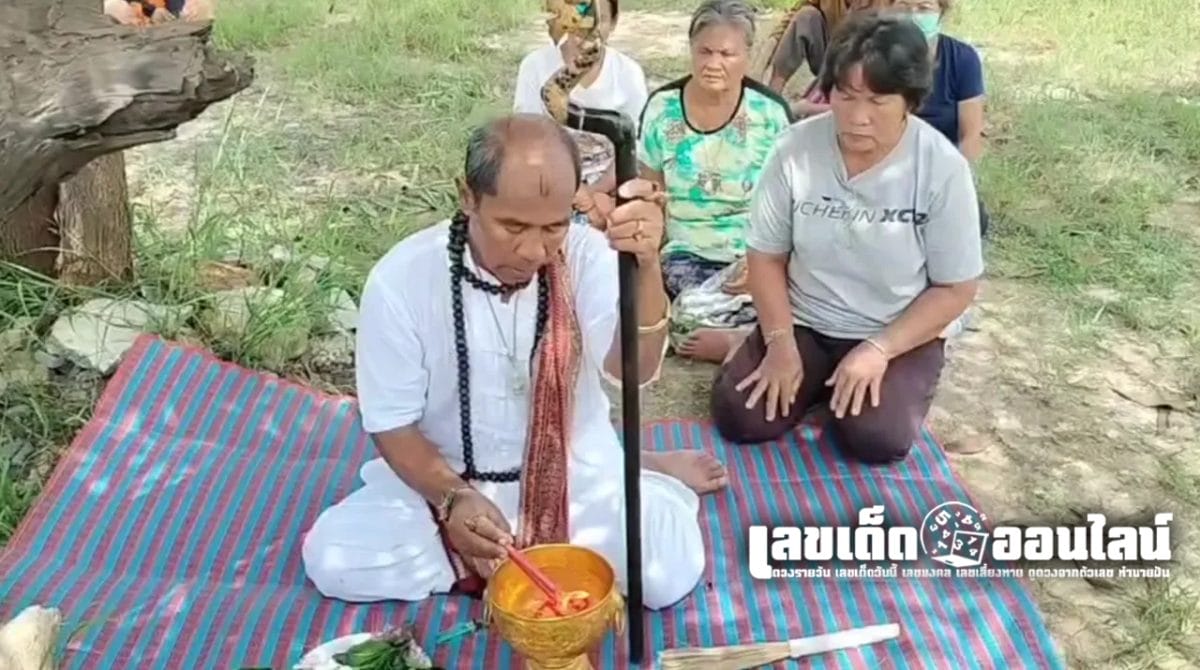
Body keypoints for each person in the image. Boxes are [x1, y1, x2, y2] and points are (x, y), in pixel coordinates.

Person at [302, 115, 723, 608]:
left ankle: (639, 475)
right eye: (512, 226)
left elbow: (634, 372)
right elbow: (391, 423)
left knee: (661, 575)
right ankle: (585, 508)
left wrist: (647, 266)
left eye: (554, 227)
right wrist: (452, 499)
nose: (533, 251)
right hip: (451, 484)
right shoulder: (402, 280)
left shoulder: (588, 256)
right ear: (467, 196)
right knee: (335, 560)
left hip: (575, 480)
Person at [709, 13, 982, 464]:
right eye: (845, 95)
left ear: (910, 102)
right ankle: (779, 356)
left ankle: (853, 379)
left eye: (877, 100)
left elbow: (957, 288)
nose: (857, 117)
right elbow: (766, 257)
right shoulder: (794, 149)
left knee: (875, 439)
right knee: (742, 417)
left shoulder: (941, 167)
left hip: (894, 327)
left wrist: (879, 350)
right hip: (806, 320)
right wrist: (779, 343)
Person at [638, 0, 794, 364]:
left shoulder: (769, 113)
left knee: (813, 298)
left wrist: (763, 266)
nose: (713, 63)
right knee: (686, 308)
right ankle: (751, 333)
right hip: (687, 254)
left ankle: (741, 333)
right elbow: (651, 195)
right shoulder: (662, 109)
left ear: (748, 55)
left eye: (727, 53)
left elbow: (789, 202)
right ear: (691, 48)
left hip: (757, 251)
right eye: (705, 51)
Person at [514, 0, 648, 227]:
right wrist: (573, 191)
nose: (586, 33)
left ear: (614, 22)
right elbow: (526, 140)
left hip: (609, 181)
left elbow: (636, 145)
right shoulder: (534, 66)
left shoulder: (628, 72)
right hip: (549, 178)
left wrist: (594, 193)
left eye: (599, 20)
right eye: (577, 19)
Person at [889, 0, 988, 236]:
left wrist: (954, 181)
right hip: (889, 168)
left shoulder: (963, 59)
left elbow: (971, 134)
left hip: (943, 168)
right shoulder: (877, 58)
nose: (913, 15)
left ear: (941, 11)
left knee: (972, 222)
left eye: (923, 8)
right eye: (904, 6)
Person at [758, 0, 879, 118]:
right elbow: (797, 11)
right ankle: (772, 99)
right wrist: (772, 41)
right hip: (831, 53)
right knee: (806, 16)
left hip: (868, 66)